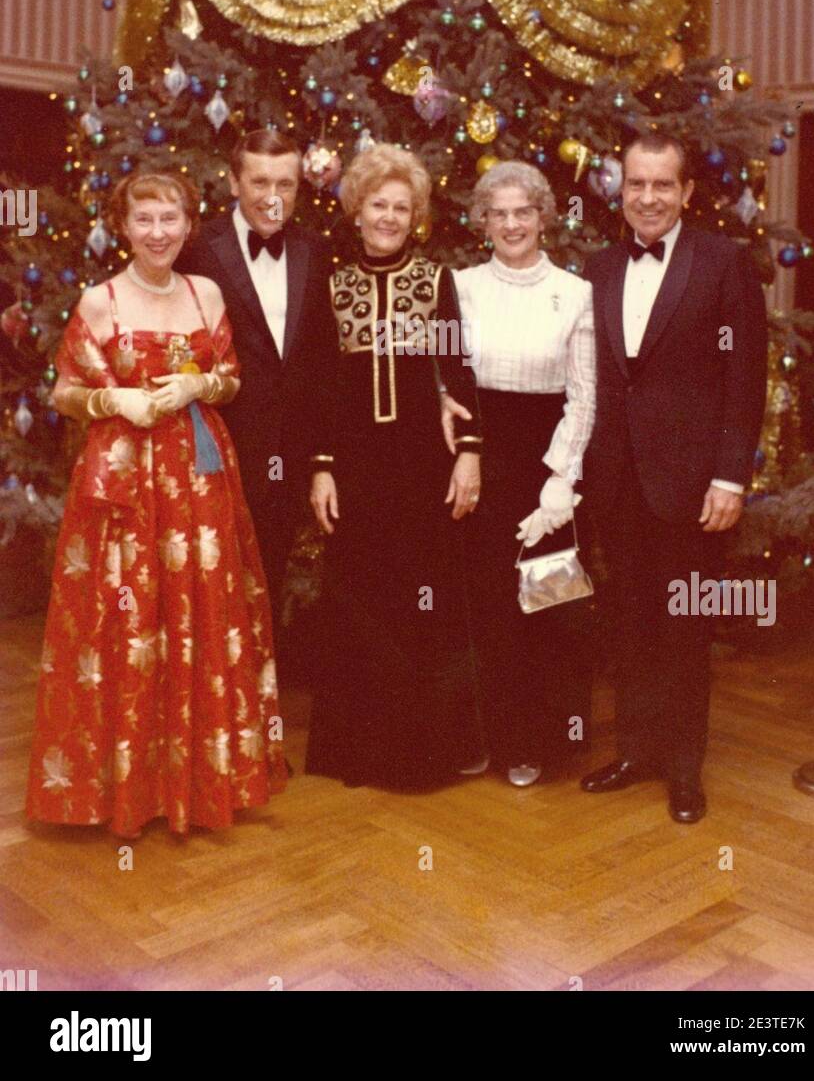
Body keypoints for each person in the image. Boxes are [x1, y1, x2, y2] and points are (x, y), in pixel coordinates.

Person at [26, 170, 286, 837]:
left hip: (198, 480)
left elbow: (231, 379)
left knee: (197, 613)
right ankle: (123, 795)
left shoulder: (205, 293)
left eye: (169, 219)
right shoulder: (100, 300)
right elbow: (62, 392)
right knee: (127, 619)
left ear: (188, 225)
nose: (158, 232)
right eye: (144, 219)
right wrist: (112, 400)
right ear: (123, 225)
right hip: (121, 487)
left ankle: (194, 789)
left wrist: (195, 385)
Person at [580, 136, 768, 823]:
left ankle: (684, 769)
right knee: (628, 622)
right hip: (614, 482)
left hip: (691, 486)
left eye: (662, 185)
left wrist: (728, 477)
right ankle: (635, 750)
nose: (648, 198)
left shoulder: (722, 263)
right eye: (636, 184)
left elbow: (745, 379)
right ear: (619, 189)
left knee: (683, 626)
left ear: (687, 192)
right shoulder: (597, 267)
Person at [306, 143, 487, 791]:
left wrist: (468, 454)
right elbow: (322, 385)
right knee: (358, 607)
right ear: (356, 209)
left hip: (420, 465)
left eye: (401, 208)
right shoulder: (331, 286)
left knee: (423, 608)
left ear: (417, 217)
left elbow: (459, 371)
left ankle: (420, 757)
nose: (388, 216)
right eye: (377, 204)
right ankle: (359, 754)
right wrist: (322, 467)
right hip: (357, 468)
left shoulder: (435, 282)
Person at [450, 162, 597, 787]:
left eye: (524, 212)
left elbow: (585, 396)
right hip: (478, 460)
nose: (511, 224)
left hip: (548, 468)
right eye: (499, 213)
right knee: (483, 608)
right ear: (484, 221)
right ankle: (487, 737)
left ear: (543, 217)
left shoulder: (576, 292)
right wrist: (463, 453)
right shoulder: (457, 287)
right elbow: (446, 382)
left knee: (548, 604)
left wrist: (560, 480)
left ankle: (541, 740)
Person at [177, 129, 329, 635]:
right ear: (235, 181)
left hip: (289, 449)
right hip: (215, 445)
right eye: (260, 181)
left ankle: (257, 699)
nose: (272, 196)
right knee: (205, 578)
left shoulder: (315, 249)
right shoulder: (196, 247)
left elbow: (323, 354)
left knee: (270, 573)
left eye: (286, 184)